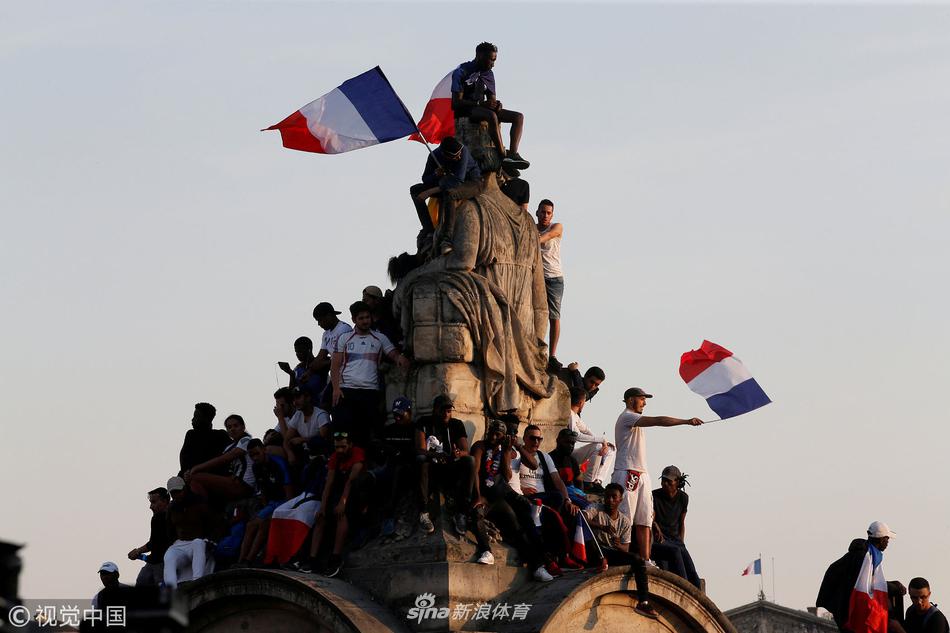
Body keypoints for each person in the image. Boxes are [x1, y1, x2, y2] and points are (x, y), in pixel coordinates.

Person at [612, 387, 703, 564]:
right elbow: (659, 420)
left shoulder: (634, 419)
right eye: (641, 399)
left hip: (642, 473)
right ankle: (623, 557)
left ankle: (645, 559)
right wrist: (686, 421)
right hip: (627, 472)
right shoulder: (627, 417)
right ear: (630, 400)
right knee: (626, 519)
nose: (644, 403)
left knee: (644, 519)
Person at [470, 420, 554, 582]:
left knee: (517, 525)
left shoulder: (505, 450)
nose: (494, 437)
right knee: (477, 513)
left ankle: (537, 566)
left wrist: (508, 450)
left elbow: (507, 475)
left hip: (499, 497)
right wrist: (477, 496)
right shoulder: (480, 446)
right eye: (492, 433)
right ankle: (486, 551)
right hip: (484, 496)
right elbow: (475, 472)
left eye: (498, 435)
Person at [331, 301, 411, 446]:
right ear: (354, 320)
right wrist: (336, 389)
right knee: (342, 432)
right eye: (361, 318)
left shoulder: (380, 338)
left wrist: (400, 358)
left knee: (364, 434)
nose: (365, 321)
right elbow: (335, 365)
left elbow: (393, 353)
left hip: (370, 392)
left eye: (367, 317)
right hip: (347, 390)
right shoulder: (344, 338)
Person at [511, 424, 583, 572]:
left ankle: (567, 556)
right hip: (527, 498)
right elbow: (511, 479)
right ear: (524, 438)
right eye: (532, 438)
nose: (536, 442)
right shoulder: (516, 454)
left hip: (546, 498)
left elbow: (558, 481)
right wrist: (523, 490)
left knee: (566, 507)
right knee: (552, 511)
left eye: (539, 439)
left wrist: (568, 500)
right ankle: (556, 558)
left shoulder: (544, 457)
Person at [582, 484, 658, 619]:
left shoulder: (624, 521)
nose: (610, 500)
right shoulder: (596, 509)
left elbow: (626, 548)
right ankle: (601, 561)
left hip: (611, 553)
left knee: (638, 560)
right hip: (595, 550)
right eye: (607, 497)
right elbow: (583, 517)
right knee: (592, 543)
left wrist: (618, 545)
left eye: (613, 497)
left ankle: (643, 602)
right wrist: (602, 527)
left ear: (620, 500)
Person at [301, 432, 371, 577]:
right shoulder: (335, 457)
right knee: (320, 518)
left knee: (341, 515)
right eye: (337, 447)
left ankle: (336, 558)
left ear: (350, 445)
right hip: (340, 488)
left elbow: (351, 481)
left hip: (358, 490)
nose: (340, 450)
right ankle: (312, 559)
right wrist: (322, 507)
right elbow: (329, 483)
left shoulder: (357, 454)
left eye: (343, 447)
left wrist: (342, 503)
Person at [817, 521, 907, 633]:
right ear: (881, 539)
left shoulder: (865, 554)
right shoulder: (864, 557)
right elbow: (867, 584)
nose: (888, 542)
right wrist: (894, 587)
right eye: (887, 539)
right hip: (849, 610)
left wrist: (892, 584)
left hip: (843, 607)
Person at [451, 41, 529, 169]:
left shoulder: (489, 74)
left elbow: (491, 98)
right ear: (480, 57)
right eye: (491, 60)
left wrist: (497, 104)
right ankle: (502, 155)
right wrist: (479, 103)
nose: (493, 64)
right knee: (491, 116)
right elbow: (456, 103)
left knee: (518, 117)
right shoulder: (461, 72)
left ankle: (513, 155)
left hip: (482, 108)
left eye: (495, 60)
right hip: (466, 110)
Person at [409, 136, 483, 256]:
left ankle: (446, 239)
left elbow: (457, 181)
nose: (459, 157)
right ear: (444, 155)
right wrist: (435, 174)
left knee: (450, 194)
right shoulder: (434, 156)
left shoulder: (463, 152)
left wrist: (430, 191)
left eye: (459, 154)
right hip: (444, 183)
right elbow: (425, 179)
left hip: (472, 184)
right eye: (455, 156)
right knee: (415, 190)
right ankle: (428, 229)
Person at [416, 395, 475, 536]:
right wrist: (437, 456)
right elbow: (420, 449)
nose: (446, 414)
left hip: (450, 467)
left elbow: (465, 451)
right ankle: (424, 512)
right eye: (443, 410)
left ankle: (461, 512)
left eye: (449, 411)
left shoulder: (456, 424)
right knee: (421, 460)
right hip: (431, 467)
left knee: (470, 461)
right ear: (435, 410)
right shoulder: (424, 422)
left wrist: (458, 454)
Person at [237, 439, 293, 566]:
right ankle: (240, 560)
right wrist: (265, 505)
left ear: (264, 450)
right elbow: (262, 489)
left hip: (284, 503)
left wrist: (287, 511)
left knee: (263, 524)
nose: (255, 458)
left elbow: (288, 488)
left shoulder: (278, 463)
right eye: (251, 455)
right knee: (250, 525)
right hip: (271, 503)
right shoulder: (256, 467)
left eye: (257, 453)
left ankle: (249, 560)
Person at [375, 397, 422, 540]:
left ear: (409, 412)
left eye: (400, 414)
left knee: (397, 472)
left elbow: (416, 452)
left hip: (406, 469)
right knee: (367, 478)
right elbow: (377, 446)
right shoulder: (389, 430)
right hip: (388, 465)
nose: (397, 417)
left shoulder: (415, 429)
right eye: (395, 414)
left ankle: (390, 515)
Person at [186, 414, 256, 504]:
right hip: (232, 482)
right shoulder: (229, 447)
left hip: (244, 485)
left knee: (196, 477)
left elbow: (223, 459)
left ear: (243, 427)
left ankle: (203, 510)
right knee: (194, 479)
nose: (232, 429)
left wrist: (196, 468)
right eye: (229, 427)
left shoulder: (246, 440)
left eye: (236, 426)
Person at [651, 465, 701, 589]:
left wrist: (681, 541)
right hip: (660, 540)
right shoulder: (654, 496)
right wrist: (655, 526)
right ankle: (683, 590)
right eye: (663, 480)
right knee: (673, 573)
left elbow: (681, 522)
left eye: (669, 481)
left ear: (677, 482)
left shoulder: (683, 498)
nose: (665, 483)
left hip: (676, 540)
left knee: (693, 576)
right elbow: (650, 517)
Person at [163, 476, 214, 588]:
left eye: (178, 492)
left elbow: (212, 522)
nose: (176, 495)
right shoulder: (171, 508)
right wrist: (174, 542)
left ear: (185, 489)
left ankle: (197, 582)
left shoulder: (199, 502)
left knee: (198, 543)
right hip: (180, 543)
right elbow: (169, 530)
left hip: (199, 541)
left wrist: (211, 539)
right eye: (173, 493)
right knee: (169, 556)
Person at [567, 387, 615, 492]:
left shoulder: (575, 416)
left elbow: (586, 430)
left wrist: (604, 443)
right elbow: (577, 436)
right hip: (567, 456)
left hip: (573, 455)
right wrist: (600, 440)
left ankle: (598, 480)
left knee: (610, 450)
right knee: (597, 446)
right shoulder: (569, 414)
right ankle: (588, 482)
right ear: (581, 402)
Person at [536, 199, 563, 367]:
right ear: (537, 212)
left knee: (554, 316)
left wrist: (533, 239)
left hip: (553, 277)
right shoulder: (531, 226)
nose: (545, 215)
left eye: (548, 213)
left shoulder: (557, 227)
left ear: (552, 215)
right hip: (536, 276)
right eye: (543, 212)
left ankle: (552, 355)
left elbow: (548, 236)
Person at [126, 487, 171, 587]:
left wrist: (137, 551)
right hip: (154, 561)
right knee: (142, 581)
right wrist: (140, 554)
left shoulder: (168, 516)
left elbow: (154, 543)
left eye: (154, 502)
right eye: (151, 502)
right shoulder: (156, 518)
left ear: (165, 501)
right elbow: (154, 543)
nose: (151, 506)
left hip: (164, 562)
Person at [311, 302, 352, 397]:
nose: (319, 324)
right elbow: (321, 356)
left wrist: (326, 363)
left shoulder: (344, 329)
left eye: (320, 320)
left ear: (329, 316)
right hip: (336, 374)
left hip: (347, 375)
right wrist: (310, 371)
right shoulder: (326, 334)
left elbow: (346, 356)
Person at [283, 386, 331, 468]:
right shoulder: (298, 415)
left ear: (308, 398)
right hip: (306, 457)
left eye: (298, 398)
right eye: (293, 399)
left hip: (322, 456)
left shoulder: (321, 415)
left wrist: (303, 440)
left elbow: (324, 439)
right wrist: (289, 453)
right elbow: (286, 440)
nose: (295, 402)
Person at [179, 402, 230, 474]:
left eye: (196, 416)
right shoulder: (222, 435)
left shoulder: (192, 435)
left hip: (203, 476)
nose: (192, 420)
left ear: (206, 419)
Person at [278, 336, 324, 403]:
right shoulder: (298, 369)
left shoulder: (320, 364)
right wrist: (291, 373)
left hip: (320, 405)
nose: (297, 354)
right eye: (296, 352)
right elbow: (292, 393)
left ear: (309, 350)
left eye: (300, 351)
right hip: (303, 409)